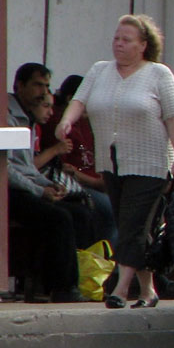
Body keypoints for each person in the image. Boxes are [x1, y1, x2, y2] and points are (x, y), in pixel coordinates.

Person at [56, 14, 174, 308]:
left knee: (132, 224)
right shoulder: (99, 71)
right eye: (116, 38)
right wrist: (66, 120)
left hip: (151, 163)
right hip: (113, 163)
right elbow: (79, 100)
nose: (118, 44)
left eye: (126, 40)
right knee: (131, 225)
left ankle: (120, 289)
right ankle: (148, 290)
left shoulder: (159, 74)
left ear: (143, 45)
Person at [6, 63, 87, 302]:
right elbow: (6, 169)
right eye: (37, 85)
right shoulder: (8, 116)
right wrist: (39, 190)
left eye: (47, 86)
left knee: (79, 212)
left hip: (25, 186)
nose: (44, 92)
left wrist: (47, 185)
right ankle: (61, 287)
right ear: (19, 86)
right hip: (8, 190)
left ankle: (79, 281)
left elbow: (27, 166)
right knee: (57, 217)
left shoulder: (29, 119)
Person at [44, 74, 117, 243]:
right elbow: (65, 169)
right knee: (109, 209)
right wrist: (95, 182)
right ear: (71, 99)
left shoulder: (86, 122)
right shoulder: (59, 123)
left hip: (97, 181)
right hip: (78, 186)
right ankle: (104, 263)